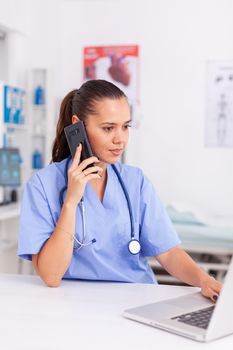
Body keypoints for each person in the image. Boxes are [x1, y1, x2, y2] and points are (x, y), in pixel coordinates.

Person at [18, 79, 222, 301]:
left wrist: (205, 280)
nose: (120, 139)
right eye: (108, 128)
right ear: (77, 126)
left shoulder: (135, 181)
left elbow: (168, 252)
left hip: (136, 301)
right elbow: (51, 275)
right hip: (74, 305)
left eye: (125, 126)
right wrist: (71, 201)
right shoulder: (42, 185)